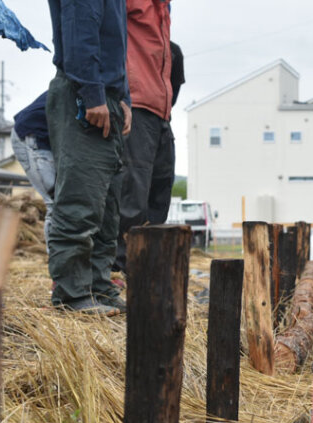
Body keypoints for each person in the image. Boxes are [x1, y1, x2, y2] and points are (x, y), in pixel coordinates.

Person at [45, 0, 131, 314]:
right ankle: (72, 294)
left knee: (106, 207)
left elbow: (114, 46)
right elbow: (80, 29)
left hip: (107, 94)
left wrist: (123, 98)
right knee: (80, 201)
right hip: (85, 94)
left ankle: (97, 286)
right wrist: (93, 93)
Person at [114, 0, 175, 272]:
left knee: (162, 186)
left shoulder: (164, 8)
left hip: (161, 108)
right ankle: (122, 266)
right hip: (136, 102)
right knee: (133, 194)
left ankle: (148, 263)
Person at [11, 92, 55, 241]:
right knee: (58, 205)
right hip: (34, 135)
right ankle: (57, 262)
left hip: (52, 138)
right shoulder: (89, 79)